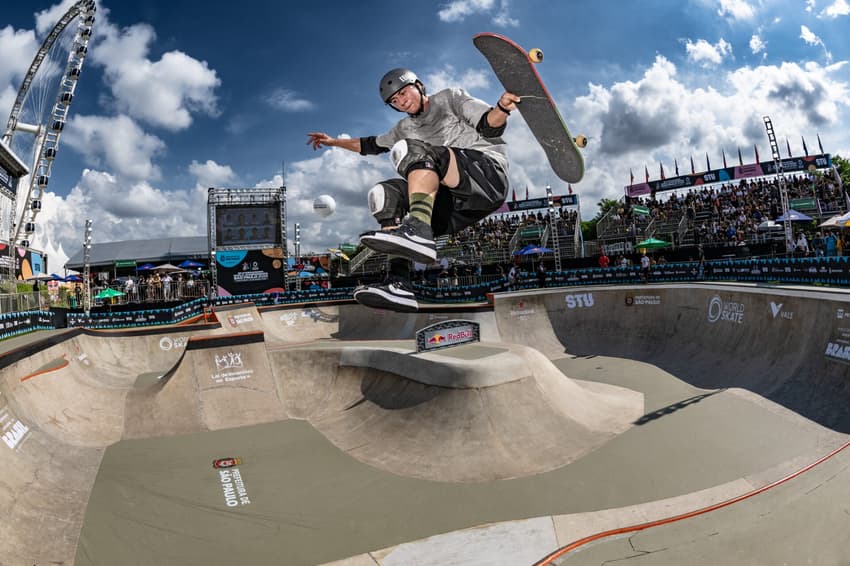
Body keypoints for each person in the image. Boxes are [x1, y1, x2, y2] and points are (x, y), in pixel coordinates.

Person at [308, 68, 519, 311]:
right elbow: (370, 145)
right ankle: (399, 284)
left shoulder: (449, 98)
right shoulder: (402, 128)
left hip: (486, 175)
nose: (401, 101)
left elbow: (488, 125)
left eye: (403, 92)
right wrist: (333, 141)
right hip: (456, 204)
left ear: (418, 85)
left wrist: (502, 108)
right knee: (385, 194)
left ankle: (418, 228)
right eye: (394, 101)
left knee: (410, 150)